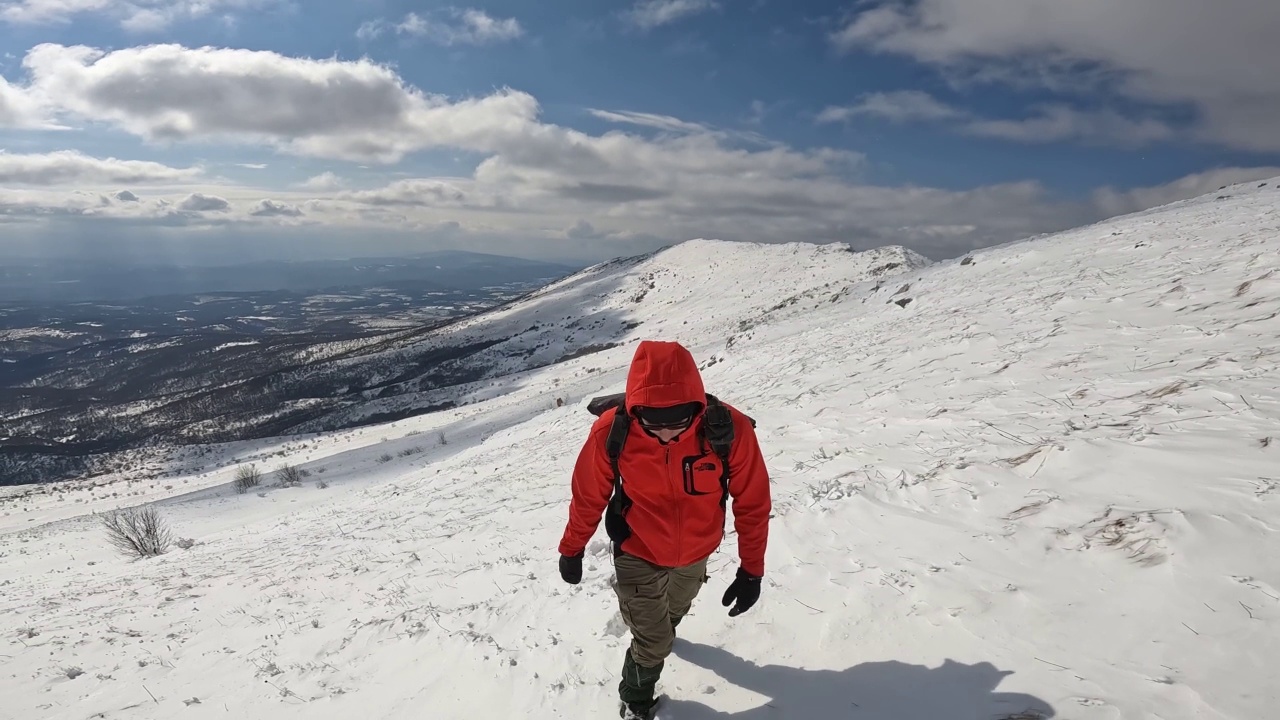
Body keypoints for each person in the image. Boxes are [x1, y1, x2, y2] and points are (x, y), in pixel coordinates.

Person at [557, 340, 772, 719]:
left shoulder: (730, 430)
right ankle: (636, 700)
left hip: (697, 551)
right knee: (653, 641)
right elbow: (588, 496)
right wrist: (572, 548)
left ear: (698, 408)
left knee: (672, 613)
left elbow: (752, 503)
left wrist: (751, 570)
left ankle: (659, 630)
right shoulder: (612, 432)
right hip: (637, 547)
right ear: (636, 411)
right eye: (653, 425)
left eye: (679, 423)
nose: (668, 435)